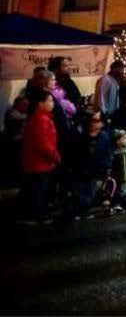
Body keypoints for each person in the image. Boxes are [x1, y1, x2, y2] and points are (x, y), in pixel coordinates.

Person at [20, 89, 60, 223]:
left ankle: (36, 214)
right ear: (40, 104)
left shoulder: (41, 117)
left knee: (37, 190)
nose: (52, 103)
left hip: (37, 162)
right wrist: (56, 157)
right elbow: (43, 144)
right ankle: (37, 215)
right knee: (38, 190)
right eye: (49, 101)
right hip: (40, 163)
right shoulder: (41, 119)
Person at [109, 129, 126, 213]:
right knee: (116, 191)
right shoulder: (114, 152)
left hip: (125, 175)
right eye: (124, 139)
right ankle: (115, 205)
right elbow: (110, 164)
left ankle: (121, 205)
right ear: (118, 141)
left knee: (123, 191)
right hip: (116, 177)